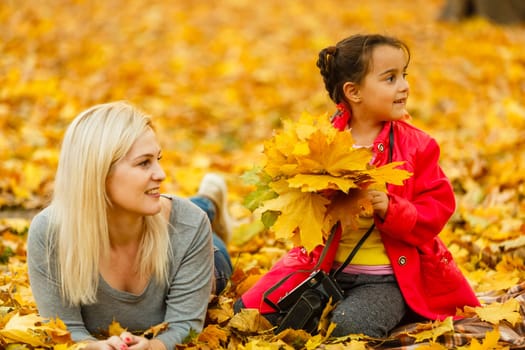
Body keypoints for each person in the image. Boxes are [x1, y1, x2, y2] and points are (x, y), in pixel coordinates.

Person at [236, 34, 480, 338]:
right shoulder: (321, 140)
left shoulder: (417, 146)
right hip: (322, 267)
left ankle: (399, 306)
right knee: (248, 312)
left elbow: (438, 208)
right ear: (354, 92)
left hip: (386, 278)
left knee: (348, 327)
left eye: (404, 75)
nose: (403, 85)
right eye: (390, 78)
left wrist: (392, 208)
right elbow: (300, 203)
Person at [26, 101, 231, 350]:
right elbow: (64, 331)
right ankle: (206, 198)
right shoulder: (49, 233)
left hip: (207, 254)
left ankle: (209, 200)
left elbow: (185, 327)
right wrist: (96, 347)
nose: (161, 173)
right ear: (98, 173)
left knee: (194, 213)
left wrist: (152, 347)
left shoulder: (189, 226)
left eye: (158, 159)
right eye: (144, 163)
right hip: (156, 213)